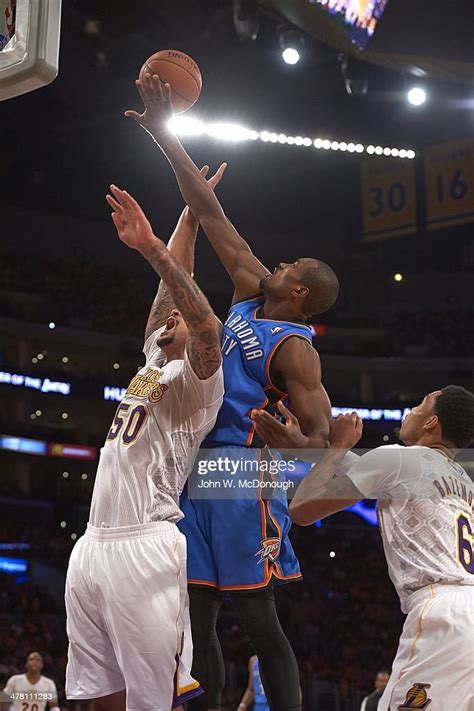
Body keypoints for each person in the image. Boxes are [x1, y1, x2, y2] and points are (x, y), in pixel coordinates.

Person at [125, 73, 340, 711]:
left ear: (298, 293)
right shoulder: (250, 287)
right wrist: (167, 134)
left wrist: (296, 441)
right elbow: (210, 210)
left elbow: (321, 437)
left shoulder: (296, 348)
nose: (280, 263)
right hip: (195, 459)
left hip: (241, 474)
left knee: (255, 615)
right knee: (196, 612)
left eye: (292, 267)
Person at [64, 184, 224, 711]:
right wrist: (191, 218)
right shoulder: (153, 362)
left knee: (156, 699)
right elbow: (170, 299)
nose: (173, 316)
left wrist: (153, 247)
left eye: (184, 315)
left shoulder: (200, 380)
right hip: (91, 545)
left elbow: (200, 319)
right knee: (100, 694)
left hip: (144, 545)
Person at [257, 385, 474, 711]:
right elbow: (366, 469)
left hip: (442, 611)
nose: (410, 410)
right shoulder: (463, 480)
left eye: (420, 404)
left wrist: (338, 445)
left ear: (431, 423)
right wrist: (307, 446)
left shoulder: (400, 459)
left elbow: (302, 509)